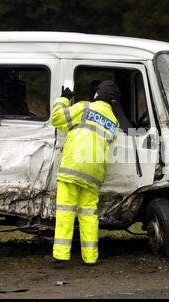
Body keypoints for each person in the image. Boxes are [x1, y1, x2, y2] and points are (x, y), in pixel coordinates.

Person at [50, 80, 120, 266]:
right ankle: (90, 257)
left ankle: (61, 255)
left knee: (65, 210)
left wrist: (64, 99)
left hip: (73, 167)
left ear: (97, 95)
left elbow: (57, 119)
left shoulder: (84, 107)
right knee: (89, 214)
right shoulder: (114, 122)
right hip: (94, 174)